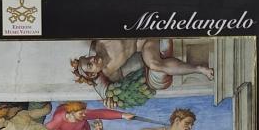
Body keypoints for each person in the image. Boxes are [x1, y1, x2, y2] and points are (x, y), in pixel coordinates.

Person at [71, 38, 213, 93]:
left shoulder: (101, 42)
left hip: (143, 26)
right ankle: (198, 69)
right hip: (146, 43)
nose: (92, 59)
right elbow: (109, 89)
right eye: (90, 65)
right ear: (94, 74)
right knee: (154, 65)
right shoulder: (110, 72)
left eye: (88, 58)